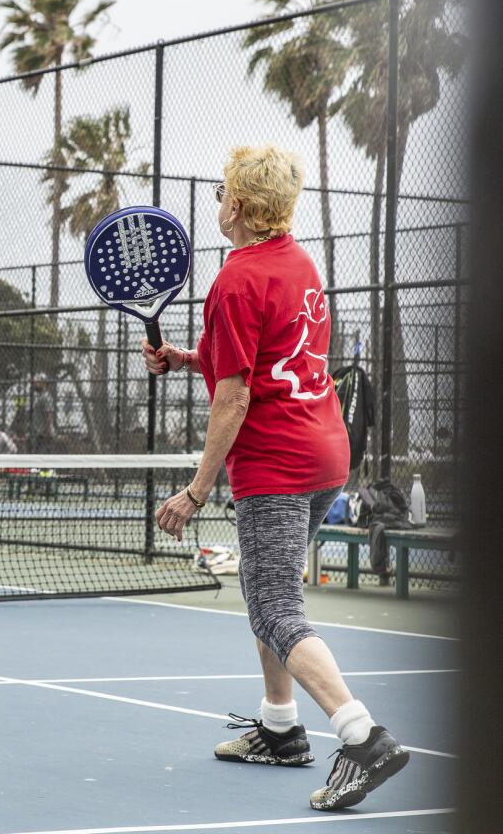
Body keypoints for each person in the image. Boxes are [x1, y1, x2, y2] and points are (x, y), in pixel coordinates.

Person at [141, 146, 407, 812]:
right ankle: (282, 729)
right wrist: (183, 357)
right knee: (270, 586)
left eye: (223, 189)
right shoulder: (298, 263)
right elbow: (269, 352)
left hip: (276, 465)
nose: (217, 199)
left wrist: (197, 488)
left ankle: (363, 737)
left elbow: (233, 398)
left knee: (274, 607)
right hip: (326, 457)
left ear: (238, 205)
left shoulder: (235, 279)